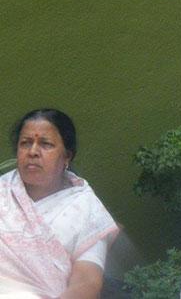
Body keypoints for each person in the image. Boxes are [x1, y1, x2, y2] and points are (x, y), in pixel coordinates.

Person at [0, 109, 119, 299]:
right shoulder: (2, 192)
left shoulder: (85, 209)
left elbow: (87, 281)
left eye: (45, 144)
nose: (32, 152)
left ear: (67, 157)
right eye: (25, 143)